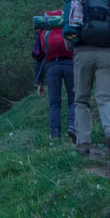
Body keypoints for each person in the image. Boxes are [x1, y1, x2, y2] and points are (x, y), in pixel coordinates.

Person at [64, 0, 110, 161]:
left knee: (81, 100)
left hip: (83, 54)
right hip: (108, 53)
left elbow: (70, 33)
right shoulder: (108, 2)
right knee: (106, 98)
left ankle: (83, 144)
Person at [31, 10, 74, 140]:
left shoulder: (44, 30)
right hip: (70, 64)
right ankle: (73, 126)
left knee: (54, 104)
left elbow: (38, 57)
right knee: (74, 100)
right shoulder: (67, 26)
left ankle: (55, 135)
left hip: (51, 67)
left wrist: (39, 82)